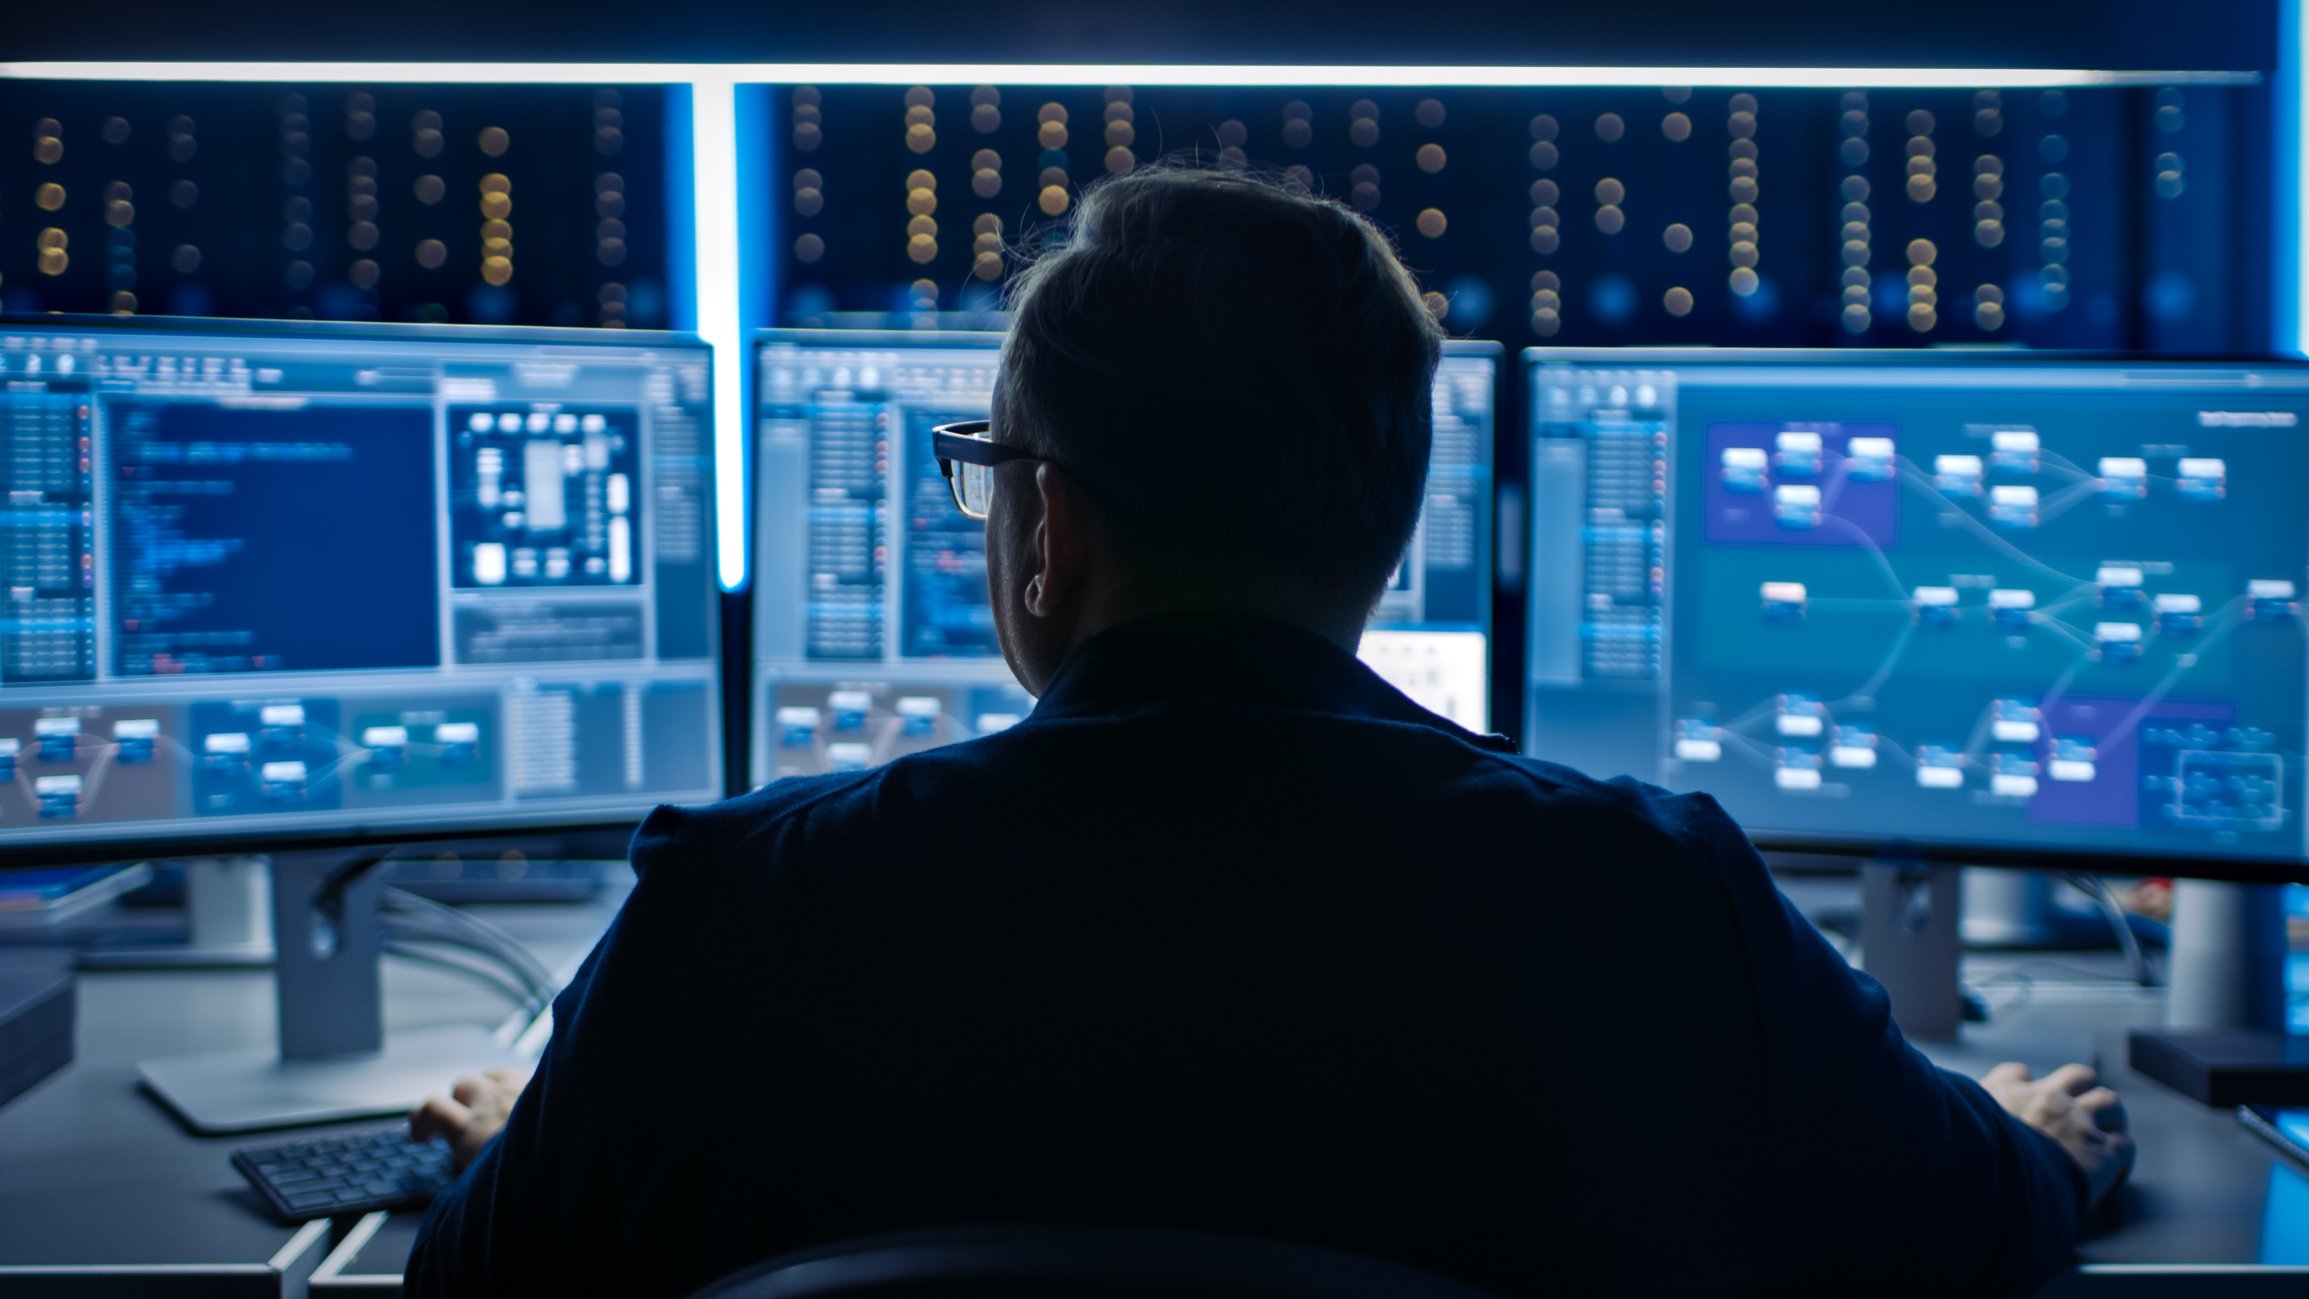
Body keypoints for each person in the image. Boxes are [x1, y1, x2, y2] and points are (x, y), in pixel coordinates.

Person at [405, 166, 2131, 1297]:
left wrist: (535, 1151)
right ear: (1383, 527)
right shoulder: (1643, 904)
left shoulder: (743, 913)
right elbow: (1964, 1234)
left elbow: (472, 1298)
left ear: (1045, 525)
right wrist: (2037, 1150)